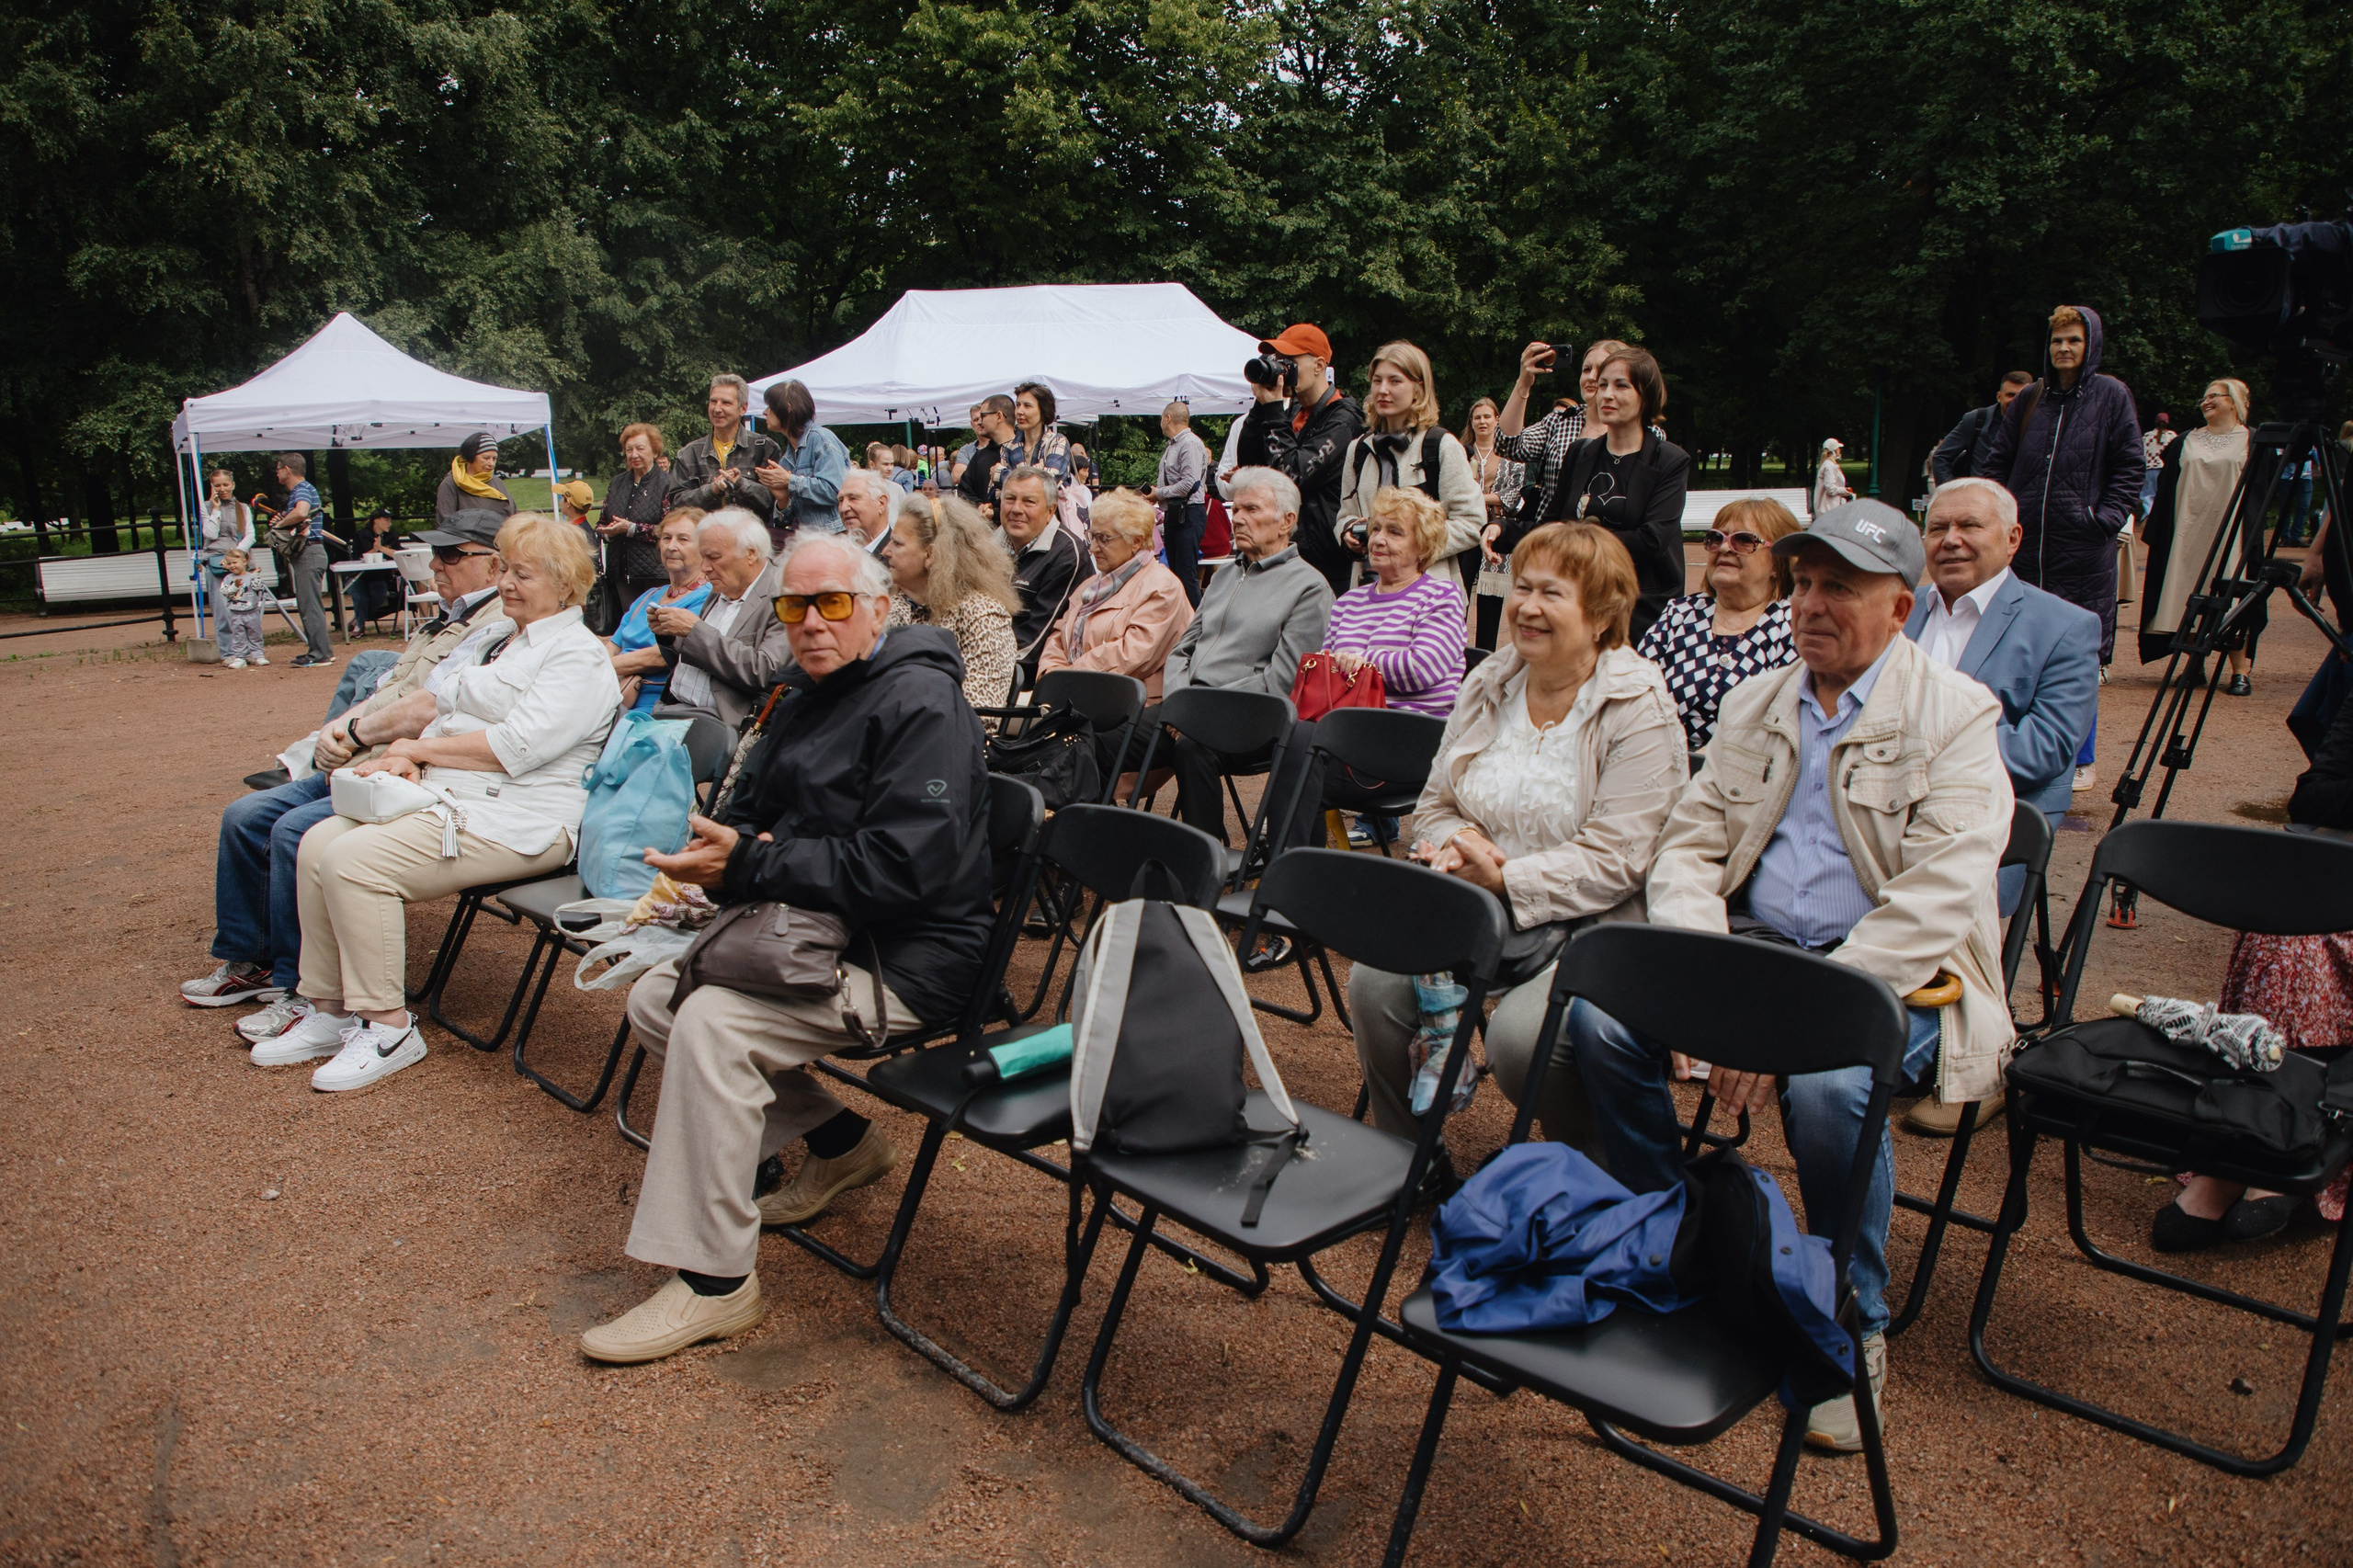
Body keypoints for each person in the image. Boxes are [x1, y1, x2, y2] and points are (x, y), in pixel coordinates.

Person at [1567, 498, 2013, 1454]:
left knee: (1826, 1085)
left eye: (1838, 588)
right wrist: (1701, 978)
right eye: (1802, 582)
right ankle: (1678, 1245)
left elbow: (1932, 905)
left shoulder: (1957, 716)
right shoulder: (1757, 699)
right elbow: (1688, 847)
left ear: (1900, 608)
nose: (1810, 604)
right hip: (1752, 952)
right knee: (1602, 1020)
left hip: (1895, 978)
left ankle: (1850, 1321)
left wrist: (1781, 1027)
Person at [578, 532, 996, 1364]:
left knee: (714, 1023)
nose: (811, 623)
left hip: (906, 957)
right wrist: (714, 855)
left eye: (832, 603)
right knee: (658, 1000)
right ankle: (845, 1146)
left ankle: (713, 1284)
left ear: (877, 610)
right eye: (795, 606)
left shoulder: (922, 705)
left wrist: (752, 862)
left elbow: (911, 868)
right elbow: (759, 813)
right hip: (814, 929)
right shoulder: (806, 693)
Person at [1350, 521, 1684, 1148]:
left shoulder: (1637, 707)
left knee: (1521, 1040)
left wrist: (1508, 877)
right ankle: (1404, 1163)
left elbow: (1621, 859)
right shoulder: (1490, 682)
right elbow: (1434, 803)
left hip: (1591, 923)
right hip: (1475, 901)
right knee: (1375, 985)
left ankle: (1578, 1173)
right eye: (1522, 587)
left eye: (1552, 594)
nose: (1526, 608)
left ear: (1603, 613)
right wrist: (1458, 844)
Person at [266, 514, 620, 1094]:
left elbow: (514, 749)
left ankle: (388, 1027)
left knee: (355, 861)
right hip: (462, 799)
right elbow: (456, 716)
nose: (505, 583)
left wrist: (417, 749)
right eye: (503, 568)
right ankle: (329, 1010)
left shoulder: (576, 657)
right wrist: (419, 758)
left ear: (564, 583)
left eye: (522, 574)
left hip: (524, 822)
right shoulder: (512, 641)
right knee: (315, 844)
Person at [180, 511, 515, 1027]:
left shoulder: (495, 625)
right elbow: (389, 690)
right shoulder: (448, 616)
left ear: (494, 565)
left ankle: (302, 987)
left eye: (451, 555)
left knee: (294, 831)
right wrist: (333, 733)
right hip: (367, 756)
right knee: (245, 817)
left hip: (403, 768)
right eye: (434, 554)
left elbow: (430, 709)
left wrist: (354, 735)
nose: (435, 565)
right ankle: (254, 960)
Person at [1898, 476, 2098, 1134]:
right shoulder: (1904, 610)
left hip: (1993, 820)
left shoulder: (2064, 625)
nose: (1950, 540)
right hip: (1886, 806)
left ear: (2012, 539)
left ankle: (1978, 1060)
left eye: (1969, 527)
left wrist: (1924, 751)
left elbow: (2046, 748)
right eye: (1937, 527)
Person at [1980, 304, 2144, 789]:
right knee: (2016, 642)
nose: (2064, 349)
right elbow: (1998, 460)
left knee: (2077, 650)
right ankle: (2015, 747)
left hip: (2082, 549)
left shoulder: (2111, 395)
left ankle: (2081, 757)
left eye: (2073, 340)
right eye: (2057, 341)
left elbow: (2129, 465)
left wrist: (2103, 518)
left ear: (2090, 343)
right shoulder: (2033, 398)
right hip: (2024, 546)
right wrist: (1998, 516)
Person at [1155, 467, 1335, 842]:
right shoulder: (1223, 575)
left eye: (1251, 509)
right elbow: (1182, 650)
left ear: (1287, 521)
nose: (1237, 518)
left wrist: (1198, 709)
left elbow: (1282, 680)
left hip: (1252, 716)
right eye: (1236, 509)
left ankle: (1205, 855)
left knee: (1192, 747)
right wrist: (1178, 702)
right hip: (1186, 708)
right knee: (1106, 735)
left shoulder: (1309, 587)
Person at [1636, 497, 1802, 753]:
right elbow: (1635, 695)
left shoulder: (1790, 627)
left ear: (1778, 562)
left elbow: (1788, 723)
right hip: (1660, 766)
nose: (1724, 548)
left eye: (1744, 540)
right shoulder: (1680, 614)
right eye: (1716, 538)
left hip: (1746, 773)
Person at [1549, 347, 1692, 642]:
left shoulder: (1669, 460)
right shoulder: (1580, 452)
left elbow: (1652, 540)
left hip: (1642, 603)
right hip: (1583, 595)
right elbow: (1554, 522)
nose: (1606, 395)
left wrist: (1579, 540)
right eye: (1602, 385)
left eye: (1620, 385)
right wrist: (1503, 529)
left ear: (1646, 395)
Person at [1334, 342, 1484, 615]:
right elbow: (1345, 514)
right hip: (1367, 597)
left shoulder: (1441, 446)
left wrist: (1413, 544)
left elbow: (1473, 523)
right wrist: (1348, 533)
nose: (1383, 390)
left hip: (1429, 601)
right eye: (1377, 381)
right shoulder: (1358, 449)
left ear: (1419, 388)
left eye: (1395, 381)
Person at [2140, 379, 2256, 691]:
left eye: (2214, 396)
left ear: (2233, 402)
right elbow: (2165, 488)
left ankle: (2239, 670)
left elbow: (2261, 490)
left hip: (2232, 533)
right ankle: (2194, 664)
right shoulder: (2185, 440)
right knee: (2186, 592)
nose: (2206, 401)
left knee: (2234, 595)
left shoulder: (2253, 440)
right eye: (2204, 397)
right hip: (2187, 531)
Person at [1234, 323, 1366, 595]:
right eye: (1278, 362)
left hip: (1327, 564)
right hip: (1287, 554)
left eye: (1290, 361)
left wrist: (1273, 410)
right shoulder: (1291, 411)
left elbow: (1293, 476)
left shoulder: (1343, 420)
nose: (1282, 368)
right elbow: (1250, 465)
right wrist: (1262, 406)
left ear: (1319, 365)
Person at [1036, 488, 1193, 708]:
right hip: (1080, 697)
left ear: (1136, 541)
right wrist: (1051, 674)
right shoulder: (1091, 585)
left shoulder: (1161, 586)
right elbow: (1058, 635)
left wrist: (1069, 676)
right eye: (1092, 537)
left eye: (1103, 539)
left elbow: (1133, 655)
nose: (1092, 548)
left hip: (1133, 706)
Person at [1322, 487, 1468, 718]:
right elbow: (1323, 671)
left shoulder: (1441, 596)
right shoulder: (1348, 602)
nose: (1378, 539)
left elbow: (1421, 669)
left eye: (1395, 532)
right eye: (1376, 528)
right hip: (1348, 725)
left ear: (1422, 546)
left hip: (1412, 728)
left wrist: (1361, 663)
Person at [650, 509, 795, 731]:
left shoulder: (784, 596)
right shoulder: (724, 585)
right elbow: (699, 654)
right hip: (669, 708)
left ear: (751, 553)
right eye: (703, 556)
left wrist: (694, 631)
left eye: (714, 557)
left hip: (716, 724)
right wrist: (670, 635)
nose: (705, 567)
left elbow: (764, 671)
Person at [883, 494, 1022, 711]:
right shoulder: (891, 606)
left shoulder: (982, 616)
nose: (886, 551)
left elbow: (978, 714)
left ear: (930, 554)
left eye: (897, 543)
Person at [1494, 338, 1629, 540]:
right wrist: (1524, 382)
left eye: (1601, 369)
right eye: (1586, 369)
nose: (1591, 377)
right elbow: (1508, 445)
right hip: (1553, 544)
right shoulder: (1560, 421)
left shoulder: (1641, 432)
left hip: (1612, 549)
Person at [607, 506, 712, 712]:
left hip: (653, 704)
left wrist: (599, 669)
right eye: (666, 538)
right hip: (611, 691)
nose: (671, 546)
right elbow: (613, 645)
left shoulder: (709, 599)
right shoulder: (649, 596)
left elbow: (661, 656)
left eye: (683, 539)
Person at [998, 464, 1094, 676]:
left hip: (1026, 674)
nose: (1016, 509)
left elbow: (1035, 642)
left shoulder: (1067, 554)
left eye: (1029, 502)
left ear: (1051, 510)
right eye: (1010, 499)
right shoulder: (989, 544)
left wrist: (985, 666)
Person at [673, 374, 784, 528]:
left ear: (743, 408)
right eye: (713, 401)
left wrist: (741, 484)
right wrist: (710, 490)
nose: (717, 409)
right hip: (705, 541)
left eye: (726, 403)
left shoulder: (764, 448)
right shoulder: (689, 453)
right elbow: (676, 504)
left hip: (750, 541)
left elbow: (776, 501)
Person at [749, 379, 847, 546]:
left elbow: (836, 491)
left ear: (787, 408)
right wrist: (782, 500)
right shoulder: (787, 457)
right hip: (806, 542)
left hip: (834, 541)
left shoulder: (822, 440)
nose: (765, 412)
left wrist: (790, 481)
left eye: (771, 407)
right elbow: (785, 521)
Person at [1464, 396, 1524, 649]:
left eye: (1487, 416)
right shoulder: (1461, 451)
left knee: (1489, 604)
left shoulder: (1512, 456)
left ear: (1497, 419)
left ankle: (1483, 655)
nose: (1482, 421)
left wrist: (1475, 497)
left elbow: (1512, 496)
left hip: (1497, 533)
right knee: (1460, 596)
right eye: (1477, 417)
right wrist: (1491, 499)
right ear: (1472, 422)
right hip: (1466, 531)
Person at [598, 423, 680, 607]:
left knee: (655, 627)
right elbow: (602, 521)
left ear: (655, 451)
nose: (634, 454)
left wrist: (631, 529)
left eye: (640, 448)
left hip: (655, 573)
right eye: (629, 449)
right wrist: (606, 532)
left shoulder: (668, 484)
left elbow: (668, 531)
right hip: (621, 572)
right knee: (629, 625)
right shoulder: (617, 483)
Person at [274, 452, 335, 668]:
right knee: (310, 603)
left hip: (308, 552)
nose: (277, 473)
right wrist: (284, 519)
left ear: (287, 470)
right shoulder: (304, 489)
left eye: (278, 468)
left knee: (309, 605)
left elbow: (301, 513)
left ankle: (320, 654)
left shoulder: (301, 489)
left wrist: (279, 526)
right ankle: (320, 650)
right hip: (311, 551)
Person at [1152, 402, 1211, 607]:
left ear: (1168, 418)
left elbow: (1190, 483)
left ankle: (1197, 625)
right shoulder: (1175, 445)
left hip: (1188, 514)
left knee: (1186, 575)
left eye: (1161, 418)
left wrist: (1158, 493)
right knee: (1176, 575)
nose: (1160, 423)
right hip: (1175, 514)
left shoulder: (1190, 444)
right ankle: (1181, 622)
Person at [1930, 373, 2036, 485]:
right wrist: (1950, 491)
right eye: (2010, 395)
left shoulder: (2039, 426)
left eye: (2021, 396)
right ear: (1999, 397)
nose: (2016, 401)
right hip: (1979, 497)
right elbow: (1941, 456)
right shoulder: (1978, 419)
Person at [199, 467, 254, 630]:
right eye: (217, 486)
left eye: (225, 484)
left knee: (244, 607)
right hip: (216, 561)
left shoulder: (243, 508)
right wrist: (215, 510)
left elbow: (250, 535)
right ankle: (228, 652)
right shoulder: (206, 507)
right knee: (221, 609)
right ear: (212, 487)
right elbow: (210, 534)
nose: (222, 489)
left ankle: (244, 650)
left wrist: (234, 555)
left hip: (237, 560)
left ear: (233, 485)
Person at [346, 508, 406, 628]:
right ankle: (359, 625)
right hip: (359, 576)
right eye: (386, 520)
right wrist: (374, 550)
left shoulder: (391, 537)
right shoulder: (361, 535)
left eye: (390, 520)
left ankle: (358, 621)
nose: (390, 523)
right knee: (360, 597)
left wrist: (382, 549)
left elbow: (399, 554)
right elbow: (356, 558)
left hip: (379, 576)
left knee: (379, 595)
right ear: (376, 520)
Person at [437, 432, 515, 521]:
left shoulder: (497, 482)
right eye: (486, 458)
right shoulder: (451, 483)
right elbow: (445, 522)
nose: (491, 464)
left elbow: (513, 513)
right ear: (471, 457)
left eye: (494, 458)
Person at [958, 395, 1016, 514]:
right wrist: (979, 506)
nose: (980, 422)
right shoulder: (980, 457)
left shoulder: (1025, 452)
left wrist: (995, 512)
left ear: (999, 416)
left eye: (983, 416)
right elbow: (964, 491)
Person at [214, 548, 267, 668]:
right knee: (238, 636)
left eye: (235, 562)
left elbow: (259, 588)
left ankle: (258, 655)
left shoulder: (250, 576)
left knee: (255, 634)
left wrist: (256, 576)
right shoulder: (228, 579)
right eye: (229, 563)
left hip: (252, 612)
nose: (232, 566)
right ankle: (240, 657)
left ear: (244, 562)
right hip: (236, 613)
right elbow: (225, 592)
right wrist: (235, 586)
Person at [835, 466, 896, 547]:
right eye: (841, 500)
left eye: (853, 498)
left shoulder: (901, 555)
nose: (843, 508)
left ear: (881, 503)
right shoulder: (837, 553)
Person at [2140, 410, 2178, 517]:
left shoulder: (2147, 436)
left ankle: (2148, 516)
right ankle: (2162, 516)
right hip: (2165, 469)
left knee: (2148, 495)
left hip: (2149, 469)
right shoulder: (2172, 436)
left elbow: (2142, 453)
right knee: (2165, 494)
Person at [1813, 438, 1853, 517]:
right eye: (1838, 448)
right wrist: (1845, 490)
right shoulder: (1829, 466)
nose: (1840, 450)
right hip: (1828, 509)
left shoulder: (1830, 464)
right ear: (1835, 450)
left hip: (1831, 507)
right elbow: (1830, 489)